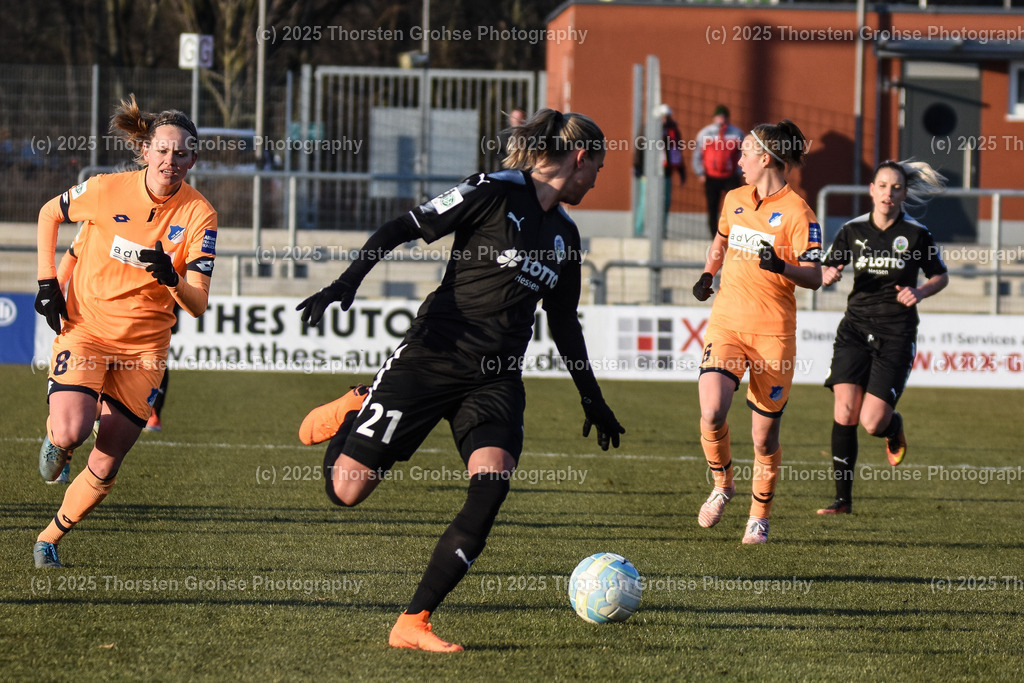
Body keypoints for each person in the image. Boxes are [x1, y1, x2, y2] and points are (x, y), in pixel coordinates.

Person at [296, 108, 624, 652]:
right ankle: (358, 406)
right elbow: (405, 225)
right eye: (599, 168)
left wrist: (594, 401)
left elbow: (564, 323)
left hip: (495, 381)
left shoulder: (565, 236)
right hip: (431, 358)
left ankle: (414, 621)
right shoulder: (495, 189)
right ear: (581, 157)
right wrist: (346, 282)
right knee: (346, 490)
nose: (597, 181)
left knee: (490, 483)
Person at [32, 95, 216, 568]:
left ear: (193, 159)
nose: (169, 161)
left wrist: (171, 277)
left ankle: (49, 538)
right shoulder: (105, 189)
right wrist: (48, 282)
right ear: (145, 150)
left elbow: (197, 304)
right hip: (88, 328)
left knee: (110, 456)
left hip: (145, 350)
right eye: (162, 150)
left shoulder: (200, 215)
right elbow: (48, 214)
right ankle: (58, 438)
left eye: (181, 153)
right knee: (72, 430)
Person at [691, 119, 822, 544]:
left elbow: (816, 276)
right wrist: (709, 272)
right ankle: (722, 485)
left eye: (745, 151)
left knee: (763, 439)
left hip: (773, 336)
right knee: (712, 410)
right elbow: (721, 240)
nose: (739, 158)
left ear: (766, 158)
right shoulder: (733, 198)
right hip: (727, 323)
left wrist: (781, 266)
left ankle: (758, 516)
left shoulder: (800, 213)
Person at [817, 160, 949, 515]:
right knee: (844, 409)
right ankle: (842, 501)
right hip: (855, 329)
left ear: (904, 194)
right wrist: (828, 273)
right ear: (872, 190)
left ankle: (894, 427)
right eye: (882, 186)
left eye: (896, 187)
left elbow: (940, 276)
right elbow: (831, 266)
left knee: (872, 421)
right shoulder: (852, 229)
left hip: (896, 333)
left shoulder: (917, 233)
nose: (888, 193)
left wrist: (920, 293)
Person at [633, 104, 685, 237]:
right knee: (645, 203)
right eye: (662, 117)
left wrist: (681, 171)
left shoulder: (673, 131)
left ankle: (661, 231)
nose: (664, 120)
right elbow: (639, 150)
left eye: (666, 117)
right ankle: (640, 231)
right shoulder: (647, 129)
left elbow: (677, 152)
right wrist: (638, 168)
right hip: (648, 173)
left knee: (665, 202)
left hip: (666, 172)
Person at [693, 105, 744, 239]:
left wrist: (739, 172)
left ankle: (733, 233)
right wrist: (700, 172)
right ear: (714, 117)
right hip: (711, 176)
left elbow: (742, 154)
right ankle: (713, 235)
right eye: (719, 116)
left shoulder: (736, 133)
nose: (721, 119)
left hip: (730, 176)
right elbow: (698, 155)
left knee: (734, 206)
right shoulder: (705, 133)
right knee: (712, 206)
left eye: (724, 116)